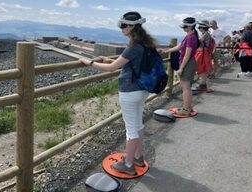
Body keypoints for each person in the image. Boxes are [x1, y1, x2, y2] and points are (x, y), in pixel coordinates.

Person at [79, 11, 156, 175]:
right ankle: (138, 157)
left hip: (130, 91)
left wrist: (90, 62)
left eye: (122, 25)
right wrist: (111, 61)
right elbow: (129, 64)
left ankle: (128, 166)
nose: (121, 28)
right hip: (142, 90)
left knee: (131, 130)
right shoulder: (145, 44)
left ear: (131, 26)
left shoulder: (134, 46)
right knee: (138, 124)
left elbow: (111, 68)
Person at [164, 17, 199, 115]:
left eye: (185, 25)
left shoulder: (191, 37)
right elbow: (179, 47)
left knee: (186, 88)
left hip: (187, 64)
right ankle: (187, 107)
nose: (183, 27)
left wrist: (181, 68)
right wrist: (166, 51)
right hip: (189, 63)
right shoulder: (189, 36)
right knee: (187, 87)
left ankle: (185, 109)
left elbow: (187, 54)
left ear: (191, 26)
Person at [194, 20, 213, 91]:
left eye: (199, 27)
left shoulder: (205, 35)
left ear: (203, 27)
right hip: (204, 53)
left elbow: (198, 41)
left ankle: (203, 85)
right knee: (203, 69)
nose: (198, 29)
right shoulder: (206, 34)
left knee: (202, 69)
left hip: (202, 53)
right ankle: (203, 85)